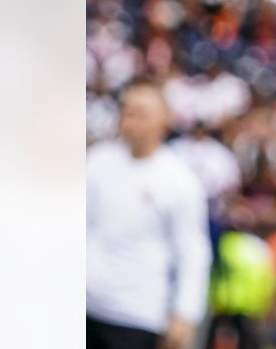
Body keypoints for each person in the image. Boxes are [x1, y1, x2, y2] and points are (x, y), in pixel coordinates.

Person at [87, 77, 211, 349]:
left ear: (163, 121)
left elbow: (192, 251)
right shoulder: (97, 162)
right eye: (127, 112)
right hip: (87, 304)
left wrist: (185, 313)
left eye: (140, 114)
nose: (130, 121)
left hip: (137, 313)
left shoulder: (179, 181)